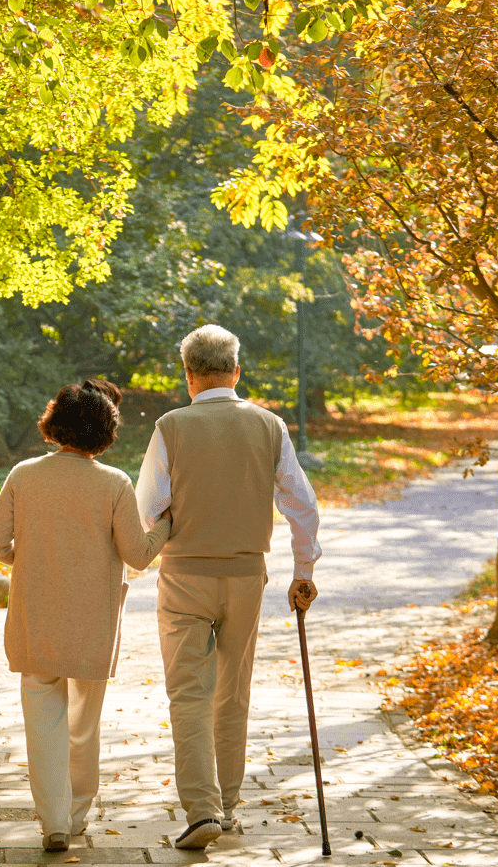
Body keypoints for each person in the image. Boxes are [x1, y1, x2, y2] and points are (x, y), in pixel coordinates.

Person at [135, 325, 321, 851]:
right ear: (236, 372)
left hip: (184, 576)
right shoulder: (269, 426)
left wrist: (129, 568)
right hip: (245, 579)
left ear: (188, 376)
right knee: (232, 693)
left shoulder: (171, 427)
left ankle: (203, 810)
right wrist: (302, 571)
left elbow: (147, 508)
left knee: (188, 694)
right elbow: (301, 505)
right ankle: (231, 806)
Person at [0, 379, 172, 854]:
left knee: (42, 720)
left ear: (55, 423)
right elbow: (137, 553)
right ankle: (79, 813)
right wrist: (167, 523)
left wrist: (27, 559)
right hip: (92, 621)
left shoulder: (24, 474)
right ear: (105, 432)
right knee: (84, 723)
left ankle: (54, 823)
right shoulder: (113, 483)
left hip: (36, 616)